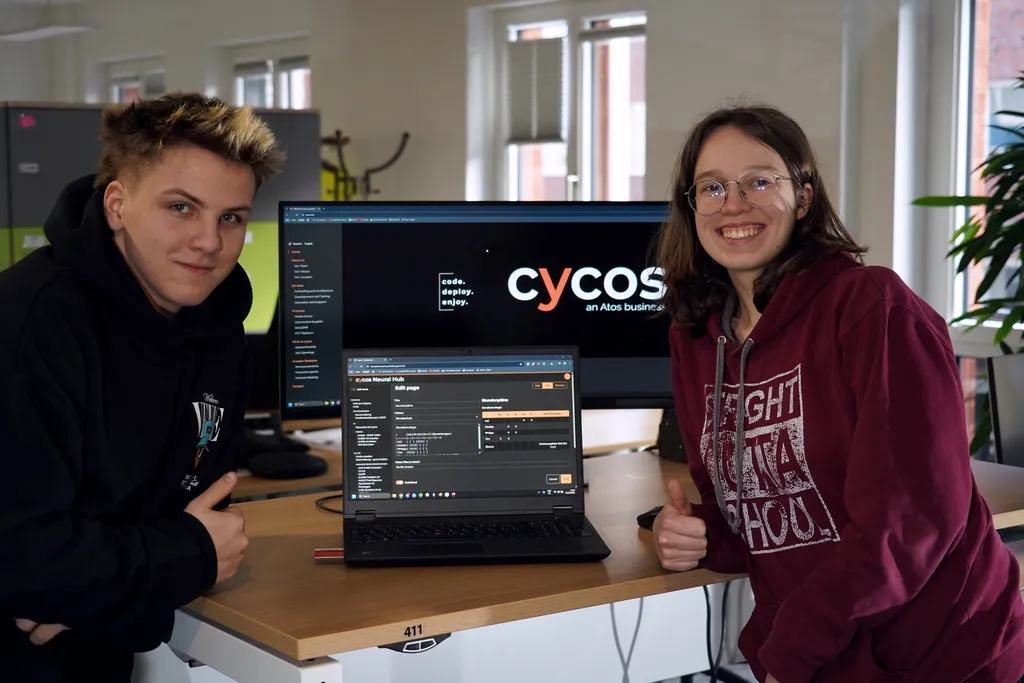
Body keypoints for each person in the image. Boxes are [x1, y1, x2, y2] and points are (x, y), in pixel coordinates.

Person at [650, 104, 1024, 683]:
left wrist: (789, 655)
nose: (734, 205)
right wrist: (700, 535)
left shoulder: (871, 308)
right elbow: (763, 513)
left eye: (759, 181)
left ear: (803, 197)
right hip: (824, 657)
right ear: (690, 206)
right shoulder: (698, 338)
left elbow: (910, 524)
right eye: (713, 187)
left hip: (941, 655)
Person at [0, 92, 284, 681]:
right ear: (116, 205)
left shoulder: (218, 331)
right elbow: (22, 561)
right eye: (181, 207)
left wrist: (92, 595)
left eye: (231, 216)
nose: (210, 241)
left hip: (96, 649)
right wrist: (182, 558)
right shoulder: (28, 325)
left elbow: (198, 511)